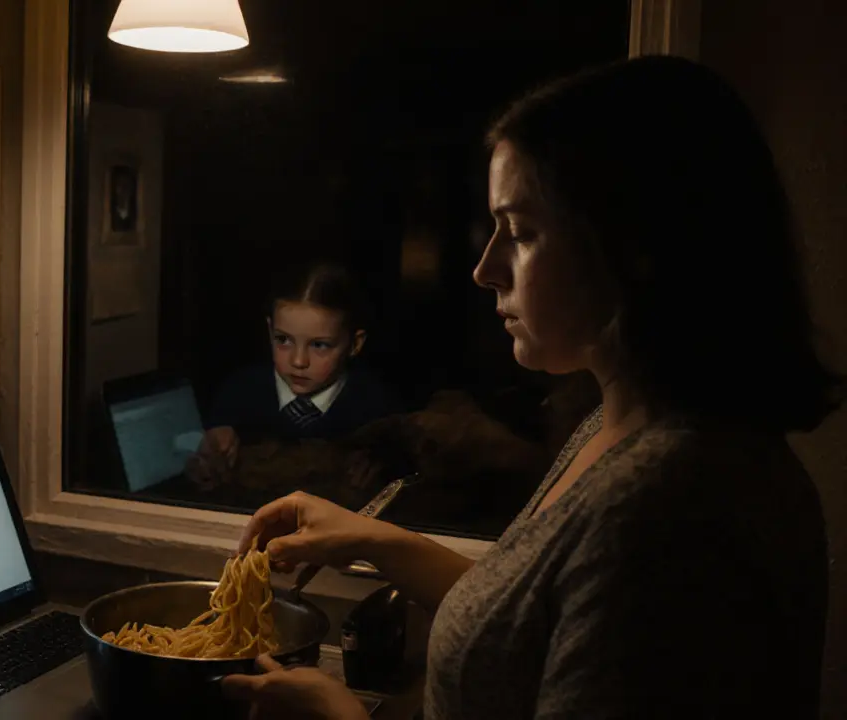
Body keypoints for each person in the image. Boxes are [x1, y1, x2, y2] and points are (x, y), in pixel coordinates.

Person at [222, 56, 837, 719]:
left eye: (519, 232)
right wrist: (372, 539)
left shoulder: (672, 507)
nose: (485, 268)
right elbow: (527, 624)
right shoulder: (615, 426)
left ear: (631, 246)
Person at [194, 262, 402, 477]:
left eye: (319, 345)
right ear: (270, 330)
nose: (299, 361)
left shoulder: (379, 409)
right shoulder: (238, 393)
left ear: (355, 344)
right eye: (283, 340)